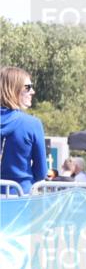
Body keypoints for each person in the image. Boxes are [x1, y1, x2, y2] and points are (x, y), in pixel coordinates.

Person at [0, 66, 46, 194]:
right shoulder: (32, 124)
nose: (33, 92)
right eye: (28, 87)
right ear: (13, 89)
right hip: (20, 198)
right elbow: (41, 172)